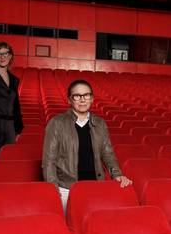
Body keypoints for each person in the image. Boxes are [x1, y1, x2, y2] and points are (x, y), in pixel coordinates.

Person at [42, 79, 132, 211]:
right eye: (77, 96)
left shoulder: (99, 123)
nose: (82, 99)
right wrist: (53, 188)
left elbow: (108, 153)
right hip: (67, 188)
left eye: (86, 95)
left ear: (92, 99)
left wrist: (117, 174)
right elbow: (49, 160)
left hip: (95, 186)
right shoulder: (56, 123)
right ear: (69, 100)